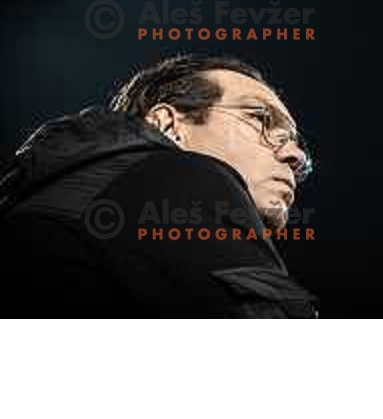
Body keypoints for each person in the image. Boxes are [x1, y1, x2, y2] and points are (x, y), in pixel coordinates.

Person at [0, 54, 318, 318]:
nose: (295, 154)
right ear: (167, 124)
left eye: (293, 140)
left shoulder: (66, 195)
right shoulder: (184, 176)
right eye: (260, 118)